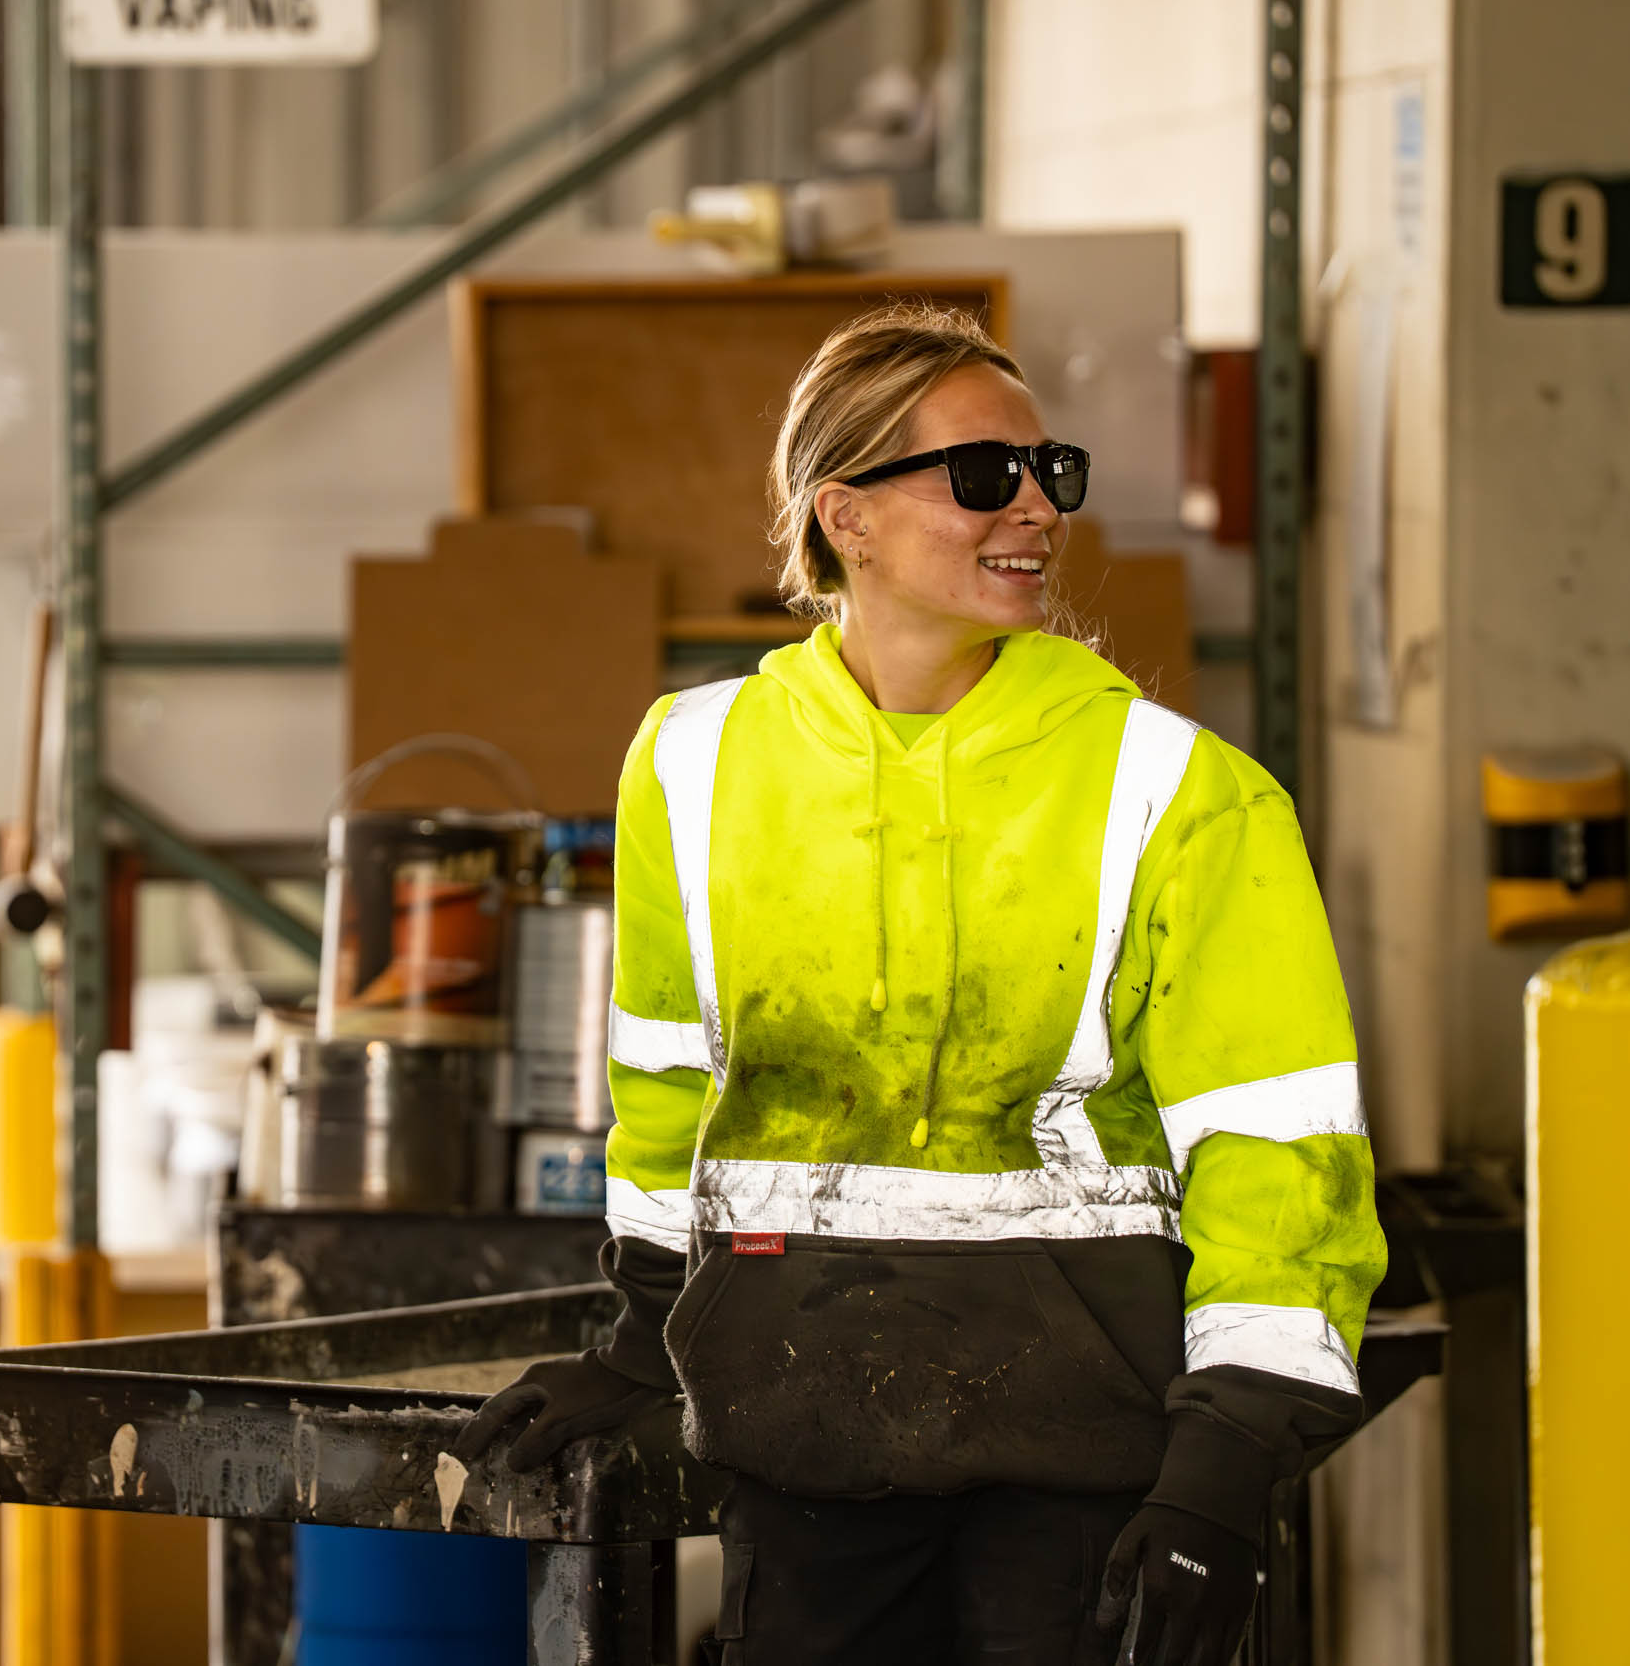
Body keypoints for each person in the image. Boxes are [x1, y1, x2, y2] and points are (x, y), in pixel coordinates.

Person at [456, 304, 1385, 1665]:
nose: (1035, 510)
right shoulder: (693, 764)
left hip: (1087, 1473)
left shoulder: (1180, 791)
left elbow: (1278, 1154)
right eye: (982, 475)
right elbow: (666, 1088)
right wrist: (644, 1335)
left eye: (1048, 471)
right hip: (808, 1449)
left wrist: (1230, 1455)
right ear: (847, 517)